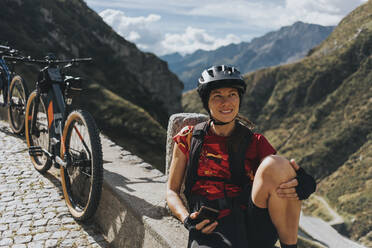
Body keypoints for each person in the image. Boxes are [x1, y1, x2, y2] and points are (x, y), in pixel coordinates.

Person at [166, 65, 316, 248]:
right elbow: (172, 191)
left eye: (232, 95)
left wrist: (304, 182)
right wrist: (187, 219)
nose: (226, 102)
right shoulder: (189, 137)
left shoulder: (255, 142)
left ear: (239, 99)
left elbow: (278, 176)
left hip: (249, 221)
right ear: (207, 102)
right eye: (217, 96)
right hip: (210, 223)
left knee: (276, 164)